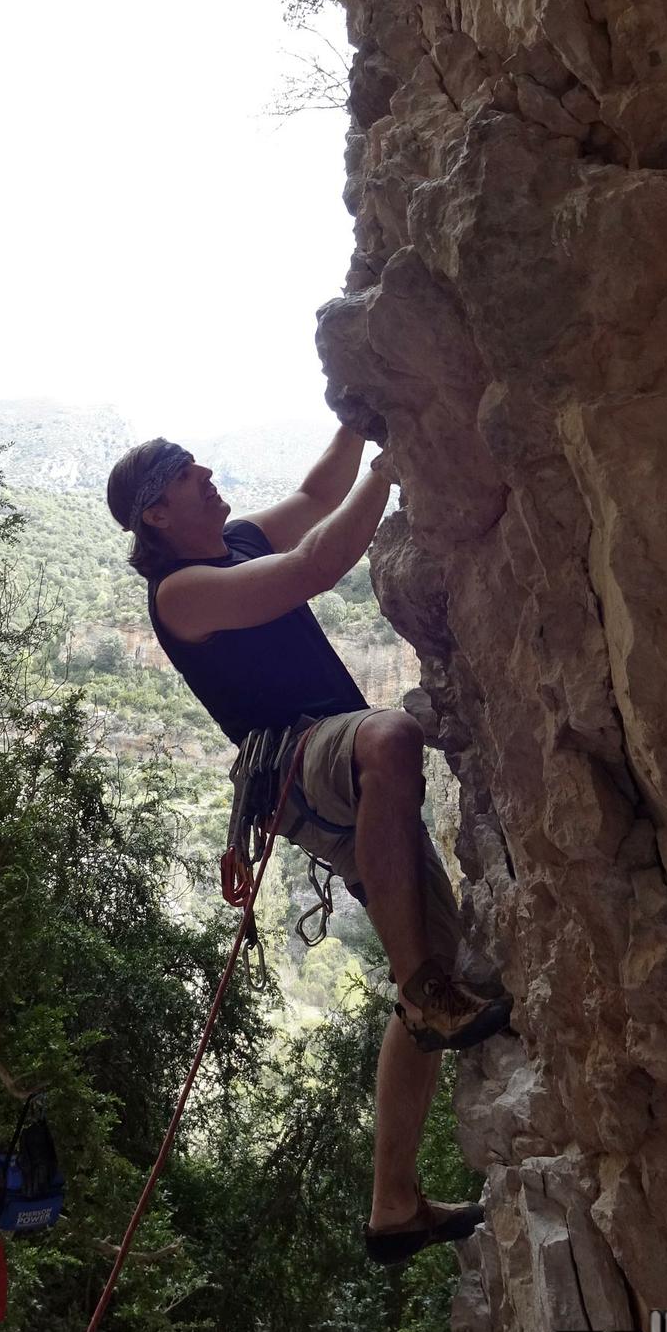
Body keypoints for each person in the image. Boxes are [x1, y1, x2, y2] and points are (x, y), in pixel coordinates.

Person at [105, 423, 512, 1265]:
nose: (204, 470)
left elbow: (316, 497)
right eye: (183, 472)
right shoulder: (180, 593)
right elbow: (314, 567)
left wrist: (357, 425)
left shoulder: (237, 541)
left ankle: (393, 1205)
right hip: (299, 760)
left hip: (338, 772)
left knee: (433, 955)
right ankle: (424, 987)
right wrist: (388, 468)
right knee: (390, 736)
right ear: (156, 513)